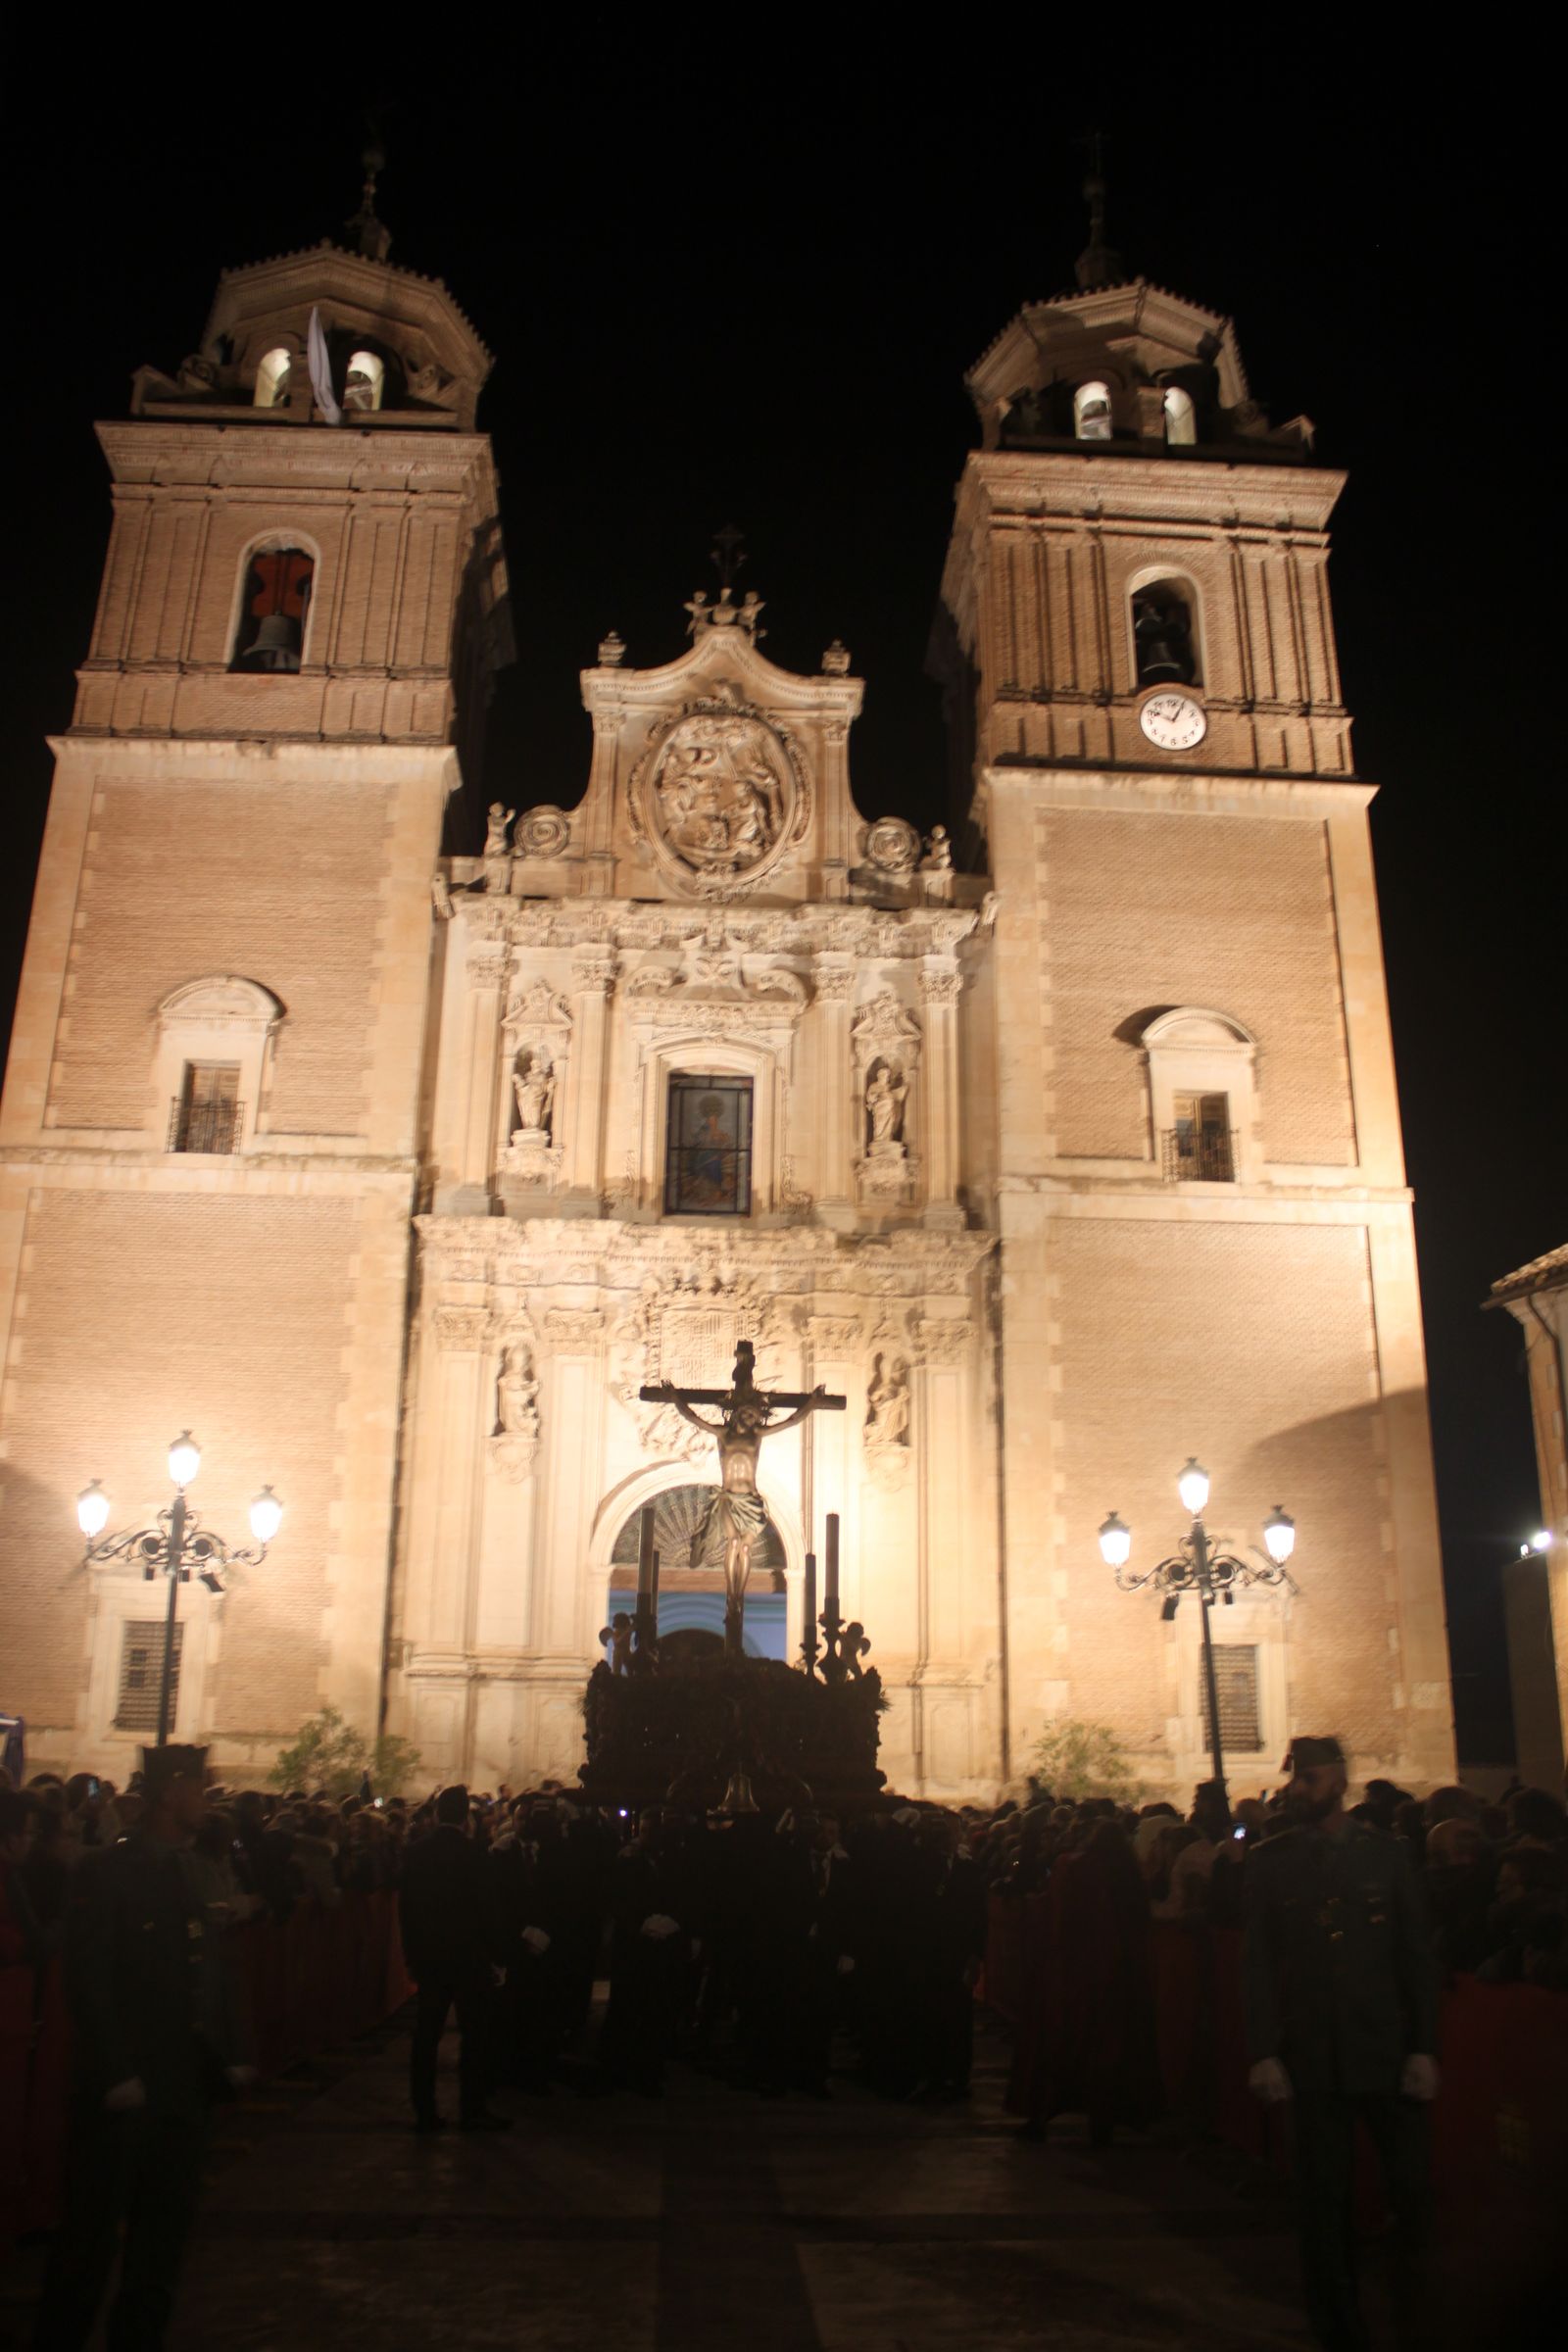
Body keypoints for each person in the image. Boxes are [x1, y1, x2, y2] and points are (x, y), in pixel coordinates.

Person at [32, 1744, 252, 2352]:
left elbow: (216, 1968)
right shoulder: (108, 1872)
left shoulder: (199, 1870)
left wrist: (231, 2048)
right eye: (197, 1787)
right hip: (126, 2088)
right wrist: (114, 2069)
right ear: (168, 1793)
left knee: (161, 2247)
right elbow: (89, 1977)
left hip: (183, 2085)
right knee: (88, 2245)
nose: (205, 1799)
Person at [1244, 1735, 1439, 2352]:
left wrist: (1424, 2047)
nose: (1298, 1790)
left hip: (1385, 2053)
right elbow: (1257, 1965)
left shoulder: (1388, 1856)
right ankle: (1339, 2328)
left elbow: (1416, 1958)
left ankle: (1416, 2318)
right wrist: (1263, 2051)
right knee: (1322, 2205)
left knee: (1410, 2195)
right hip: (1313, 2058)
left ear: (1340, 1781)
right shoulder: (1272, 1861)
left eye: (1310, 1779)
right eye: (1296, 1779)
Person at [398, 1784, 510, 2132]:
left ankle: (424, 2110)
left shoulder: (416, 1853)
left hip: (430, 1958)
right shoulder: (476, 1853)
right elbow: (489, 1910)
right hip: (468, 1959)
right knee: (475, 2036)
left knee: (427, 2036)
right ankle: (472, 2109)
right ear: (466, 1818)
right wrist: (496, 1955)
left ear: (436, 1814)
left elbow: (407, 1911)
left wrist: (411, 1956)